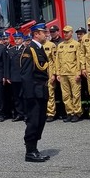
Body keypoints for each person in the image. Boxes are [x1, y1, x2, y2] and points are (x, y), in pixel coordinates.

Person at [20, 22, 51, 162]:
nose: (46, 34)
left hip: (41, 90)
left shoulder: (39, 48)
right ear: (36, 34)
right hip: (33, 92)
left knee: (40, 121)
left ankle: (35, 149)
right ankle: (30, 152)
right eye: (44, 32)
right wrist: (29, 95)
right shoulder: (30, 50)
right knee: (33, 121)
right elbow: (26, 75)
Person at [55, 25, 83, 122]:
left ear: (71, 33)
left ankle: (77, 113)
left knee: (76, 94)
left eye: (67, 32)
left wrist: (78, 73)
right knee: (66, 95)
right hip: (63, 74)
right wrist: (58, 73)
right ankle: (70, 112)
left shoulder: (76, 44)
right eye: (64, 32)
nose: (65, 34)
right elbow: (57, 60)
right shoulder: (60, 45)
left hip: (73, 73)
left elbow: (79, 60)